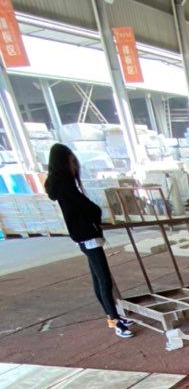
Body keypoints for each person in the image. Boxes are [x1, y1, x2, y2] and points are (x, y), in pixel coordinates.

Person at [45, 143, 134, 339]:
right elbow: (89, 208)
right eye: (72, 161)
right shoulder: (66, 187)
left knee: (98, 277)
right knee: (104, 279)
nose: (75, 165)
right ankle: (115, 320)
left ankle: (112, 316)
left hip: (84, 236)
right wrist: (96, 215)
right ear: (63, 162)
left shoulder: (64, 186)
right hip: (87, 236)